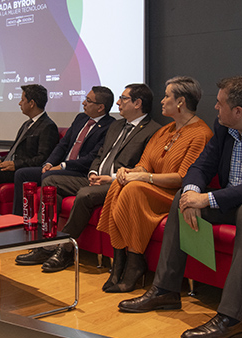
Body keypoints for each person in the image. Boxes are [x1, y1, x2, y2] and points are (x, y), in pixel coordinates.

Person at [117, 76, 242, 338]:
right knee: (181, 199)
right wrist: (191, 193)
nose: (215, 107)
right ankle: (165, 290)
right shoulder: (224, 126)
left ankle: (233, 319)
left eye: (220, 103)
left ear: (238, 111)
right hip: (239, 201)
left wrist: (207, 199)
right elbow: (201, 166)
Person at [15, 83, 161, 271]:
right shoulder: (117, 125)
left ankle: (66, 250)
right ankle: (46, 244)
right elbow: (99, 155)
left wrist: (111, 178)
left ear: (137, 103)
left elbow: (143, 166)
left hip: (119, 184)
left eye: (123, 99)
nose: (118, 103)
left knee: (85, 194)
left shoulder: (153, 131)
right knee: (50, 181)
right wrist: (93, 173)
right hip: (95, 178)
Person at [97, 76, 213, 293]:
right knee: (119, 185)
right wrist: (128, 172)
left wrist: (145, 178)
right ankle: (119, 261)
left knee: (134, 188)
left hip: (174, 195)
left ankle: (134, 262)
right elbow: (144, 165)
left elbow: (183, 178)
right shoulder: (164, 130)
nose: (161, 100)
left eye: (167, 96)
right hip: (151, 189)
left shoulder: (201, 134)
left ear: (180, 102)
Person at [12, 85, 115, 244]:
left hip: (80, 171)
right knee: (22, 174)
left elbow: (92, 157)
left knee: (50, 178)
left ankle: (44, 235)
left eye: (88, 101)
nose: (83, 103)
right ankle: (20, 222)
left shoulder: (110, 126)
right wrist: (49, 162)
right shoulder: (81, 118)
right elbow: (63, 144)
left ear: (100, 107)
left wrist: (63, 166)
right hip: (59, 167)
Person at [0, 84, 59, 202]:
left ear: (32, 103)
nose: (19, 103)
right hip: (13, 165)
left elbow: (43, 158)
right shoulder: (27, 124)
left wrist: (15, 164)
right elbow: (15, 152)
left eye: (22, 100)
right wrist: (1, 160)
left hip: (22, 168)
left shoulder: (48, 126)